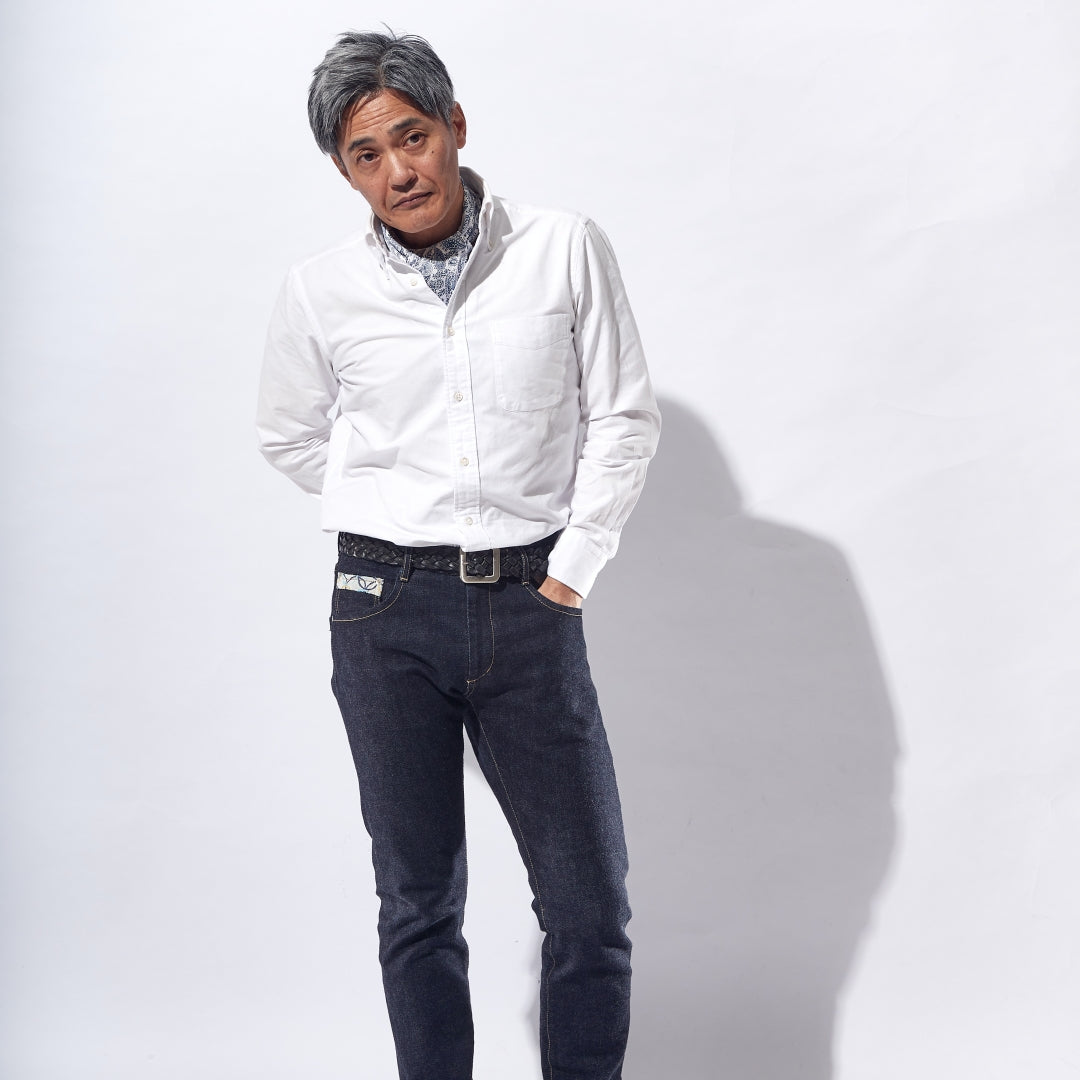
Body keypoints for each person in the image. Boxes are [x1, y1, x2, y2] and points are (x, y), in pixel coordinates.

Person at [256, 30, 659, 1080]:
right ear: (345, 171)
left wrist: (572, 565)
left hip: (532, 599)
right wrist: (392, 505)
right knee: (418, 902)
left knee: (589, 904)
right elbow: (288, 435)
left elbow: (622, 416)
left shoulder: (562, 248)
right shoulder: (320, 290)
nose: (398, 170)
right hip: (382, 611)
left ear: (454, 127)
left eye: (412, 137)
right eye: (366, 154)